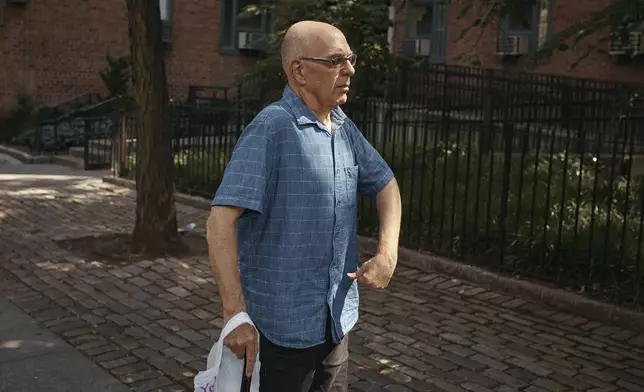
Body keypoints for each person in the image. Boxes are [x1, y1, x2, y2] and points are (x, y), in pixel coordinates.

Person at [206, 20, 402, 392]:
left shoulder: (342, 127)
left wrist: (387, 254)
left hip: (335, 322)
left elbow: (386, 184)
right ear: (299, 70)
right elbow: (219, 221)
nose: (350, 70)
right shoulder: (271, 128)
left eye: (350, 59)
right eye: (335, 61)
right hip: (280, 335)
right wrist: (235, 315)